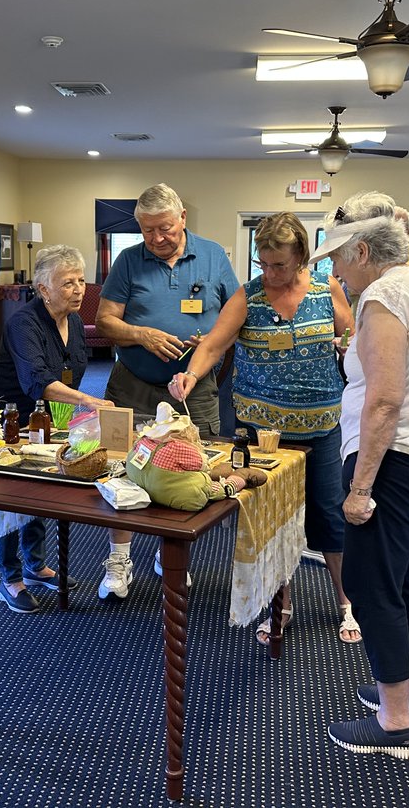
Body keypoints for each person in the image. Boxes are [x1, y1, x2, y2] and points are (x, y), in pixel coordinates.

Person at [310, 199, 409, 761]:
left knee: (374, 589)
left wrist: (358, 489)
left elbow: (384, 403)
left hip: (395, 461)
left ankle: (394, 722)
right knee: (402, 581)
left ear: (364, 251)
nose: (336, 274)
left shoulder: (382, 296)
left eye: (339, 260)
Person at [166, 212, 359, 644]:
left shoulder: (326, 289)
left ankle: (348, 602)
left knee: (329, 512)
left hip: (322, 424)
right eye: (264, 263)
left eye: (280, 266)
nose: (270, 274)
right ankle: (280, 604)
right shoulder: (249, 297)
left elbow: (353, 336)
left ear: (301, 259)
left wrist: (347, 345)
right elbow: (215, 343)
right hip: (261, 428)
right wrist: (191, 377)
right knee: (272, 517)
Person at [94, 183, 238, 600]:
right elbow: (105, 321)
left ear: (183, 219)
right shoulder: (126, 261)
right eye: (147, 230)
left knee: (187, 470)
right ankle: (119, 560)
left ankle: (170, 555)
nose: (157, 238)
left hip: (193, 390)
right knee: (120, 467)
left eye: (165, 228)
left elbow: (234, 316)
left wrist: (210, 344)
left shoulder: (212, 256)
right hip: (133, 384)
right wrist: (139, 334)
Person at [0, 245, 114, 614]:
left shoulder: (74, 324)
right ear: (43, 289)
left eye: (81, 280)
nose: (79, 289)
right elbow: (38, 380)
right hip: (4, 417)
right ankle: (10, 579)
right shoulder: (24, 323)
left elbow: (70, 374)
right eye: (67, 282)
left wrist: (71, 417)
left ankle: (35, 567)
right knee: (9, 496)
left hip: (42, 416)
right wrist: (87, 402)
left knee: (38, 489)